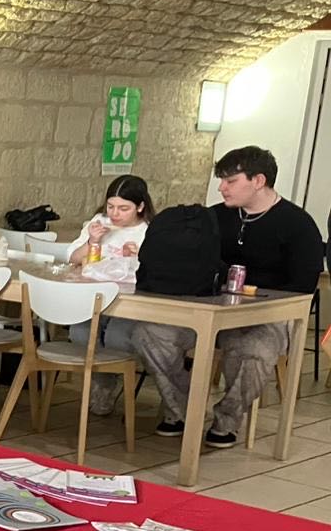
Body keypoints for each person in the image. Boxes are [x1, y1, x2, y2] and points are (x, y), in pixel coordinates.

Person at [131, 146, 324, 449]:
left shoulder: (298, 225)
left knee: (253, 349)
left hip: (264, 315)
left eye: (230, 181)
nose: (222, 188)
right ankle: (183, 409)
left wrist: (252, 295)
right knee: (149, 333)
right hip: (207, 308)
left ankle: (227, 419)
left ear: (258, 180)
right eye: (221, 181)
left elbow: (301, 288)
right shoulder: (213, 217)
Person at [65, 175, 155, 415]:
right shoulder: (99, 223)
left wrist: (137, 257)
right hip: (93, 296)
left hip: (129, 300)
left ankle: (109, 382)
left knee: (117, 336)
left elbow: (153, 271)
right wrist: (94, 240)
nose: (116, 214)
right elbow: (73, 258)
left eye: (124, 208)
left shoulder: (148, 231)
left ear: (140, 206)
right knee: (80, 332)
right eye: (111, 207)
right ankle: (102, 383)